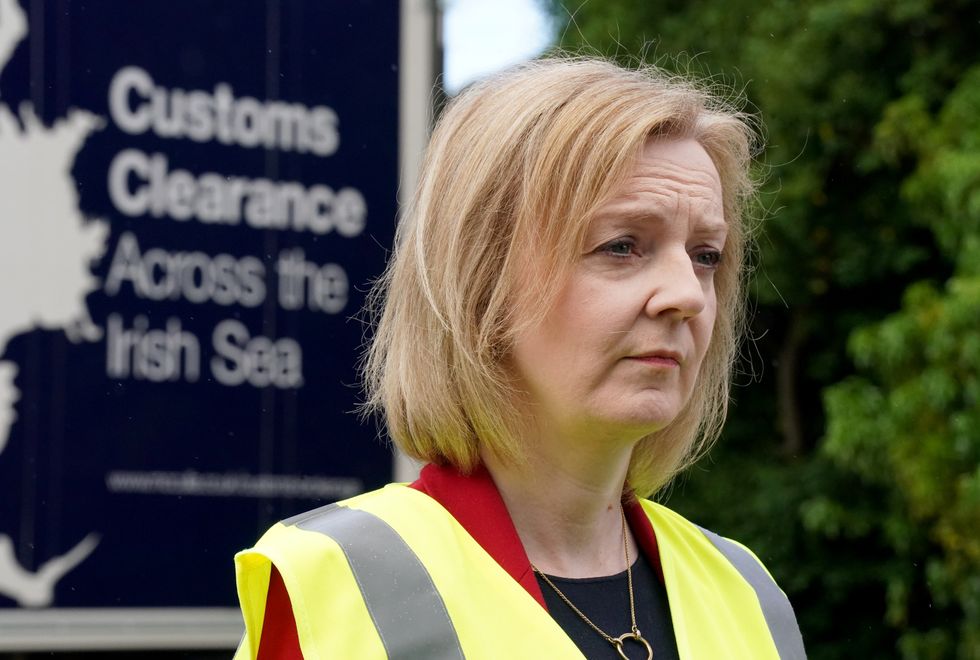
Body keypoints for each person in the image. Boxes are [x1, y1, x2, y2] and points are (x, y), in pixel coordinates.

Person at [233, 56, 806, 660]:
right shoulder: (340, 587)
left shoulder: (749, 595)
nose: (688, 294)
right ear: (482, 282)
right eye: (621, 246)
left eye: (706, 255)